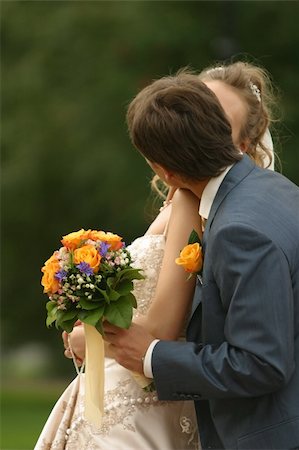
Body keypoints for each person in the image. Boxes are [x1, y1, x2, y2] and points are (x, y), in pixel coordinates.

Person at [34, 61, 279, 450]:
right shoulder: (191, 198)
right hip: (129, 385)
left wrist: (95, 339)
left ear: (241, 144)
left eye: (216, 120)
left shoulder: (215, 214)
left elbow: (169, 326)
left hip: (146, 395)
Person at [103, 69, 299, 450]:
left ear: (164, 170)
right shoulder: (274, 191)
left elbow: (261, 364)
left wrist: (152, 355)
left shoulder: (239, 231)